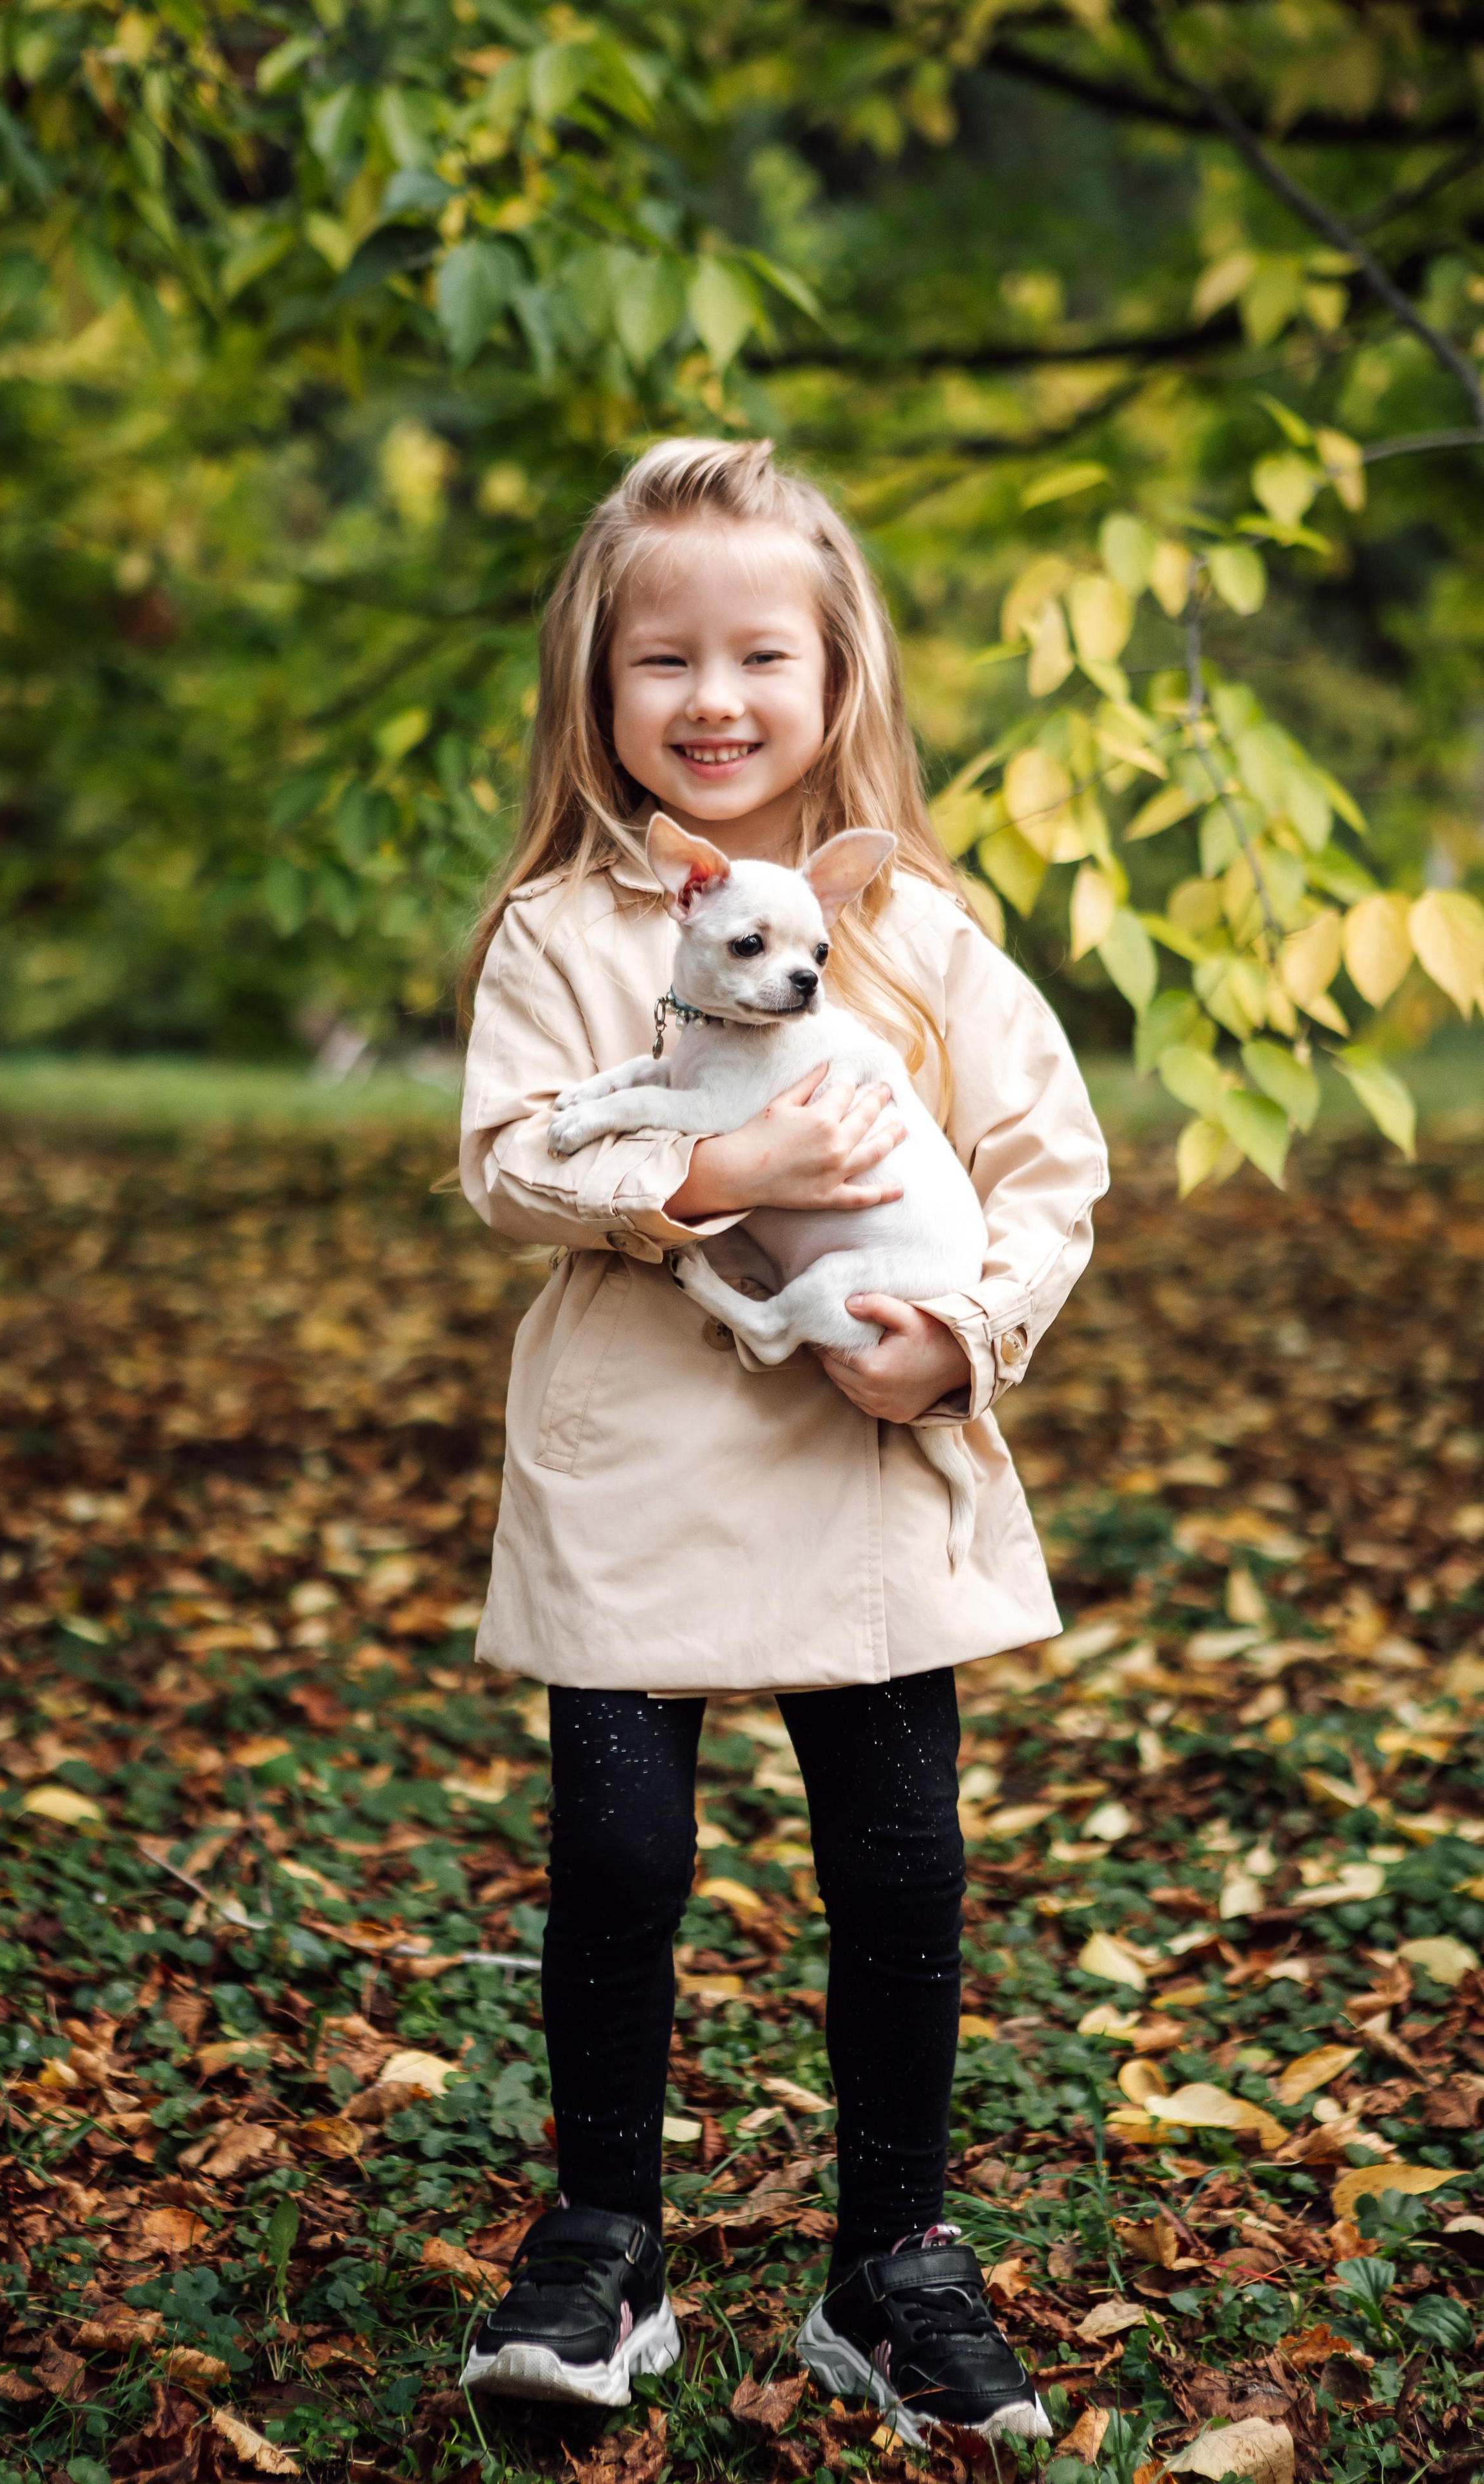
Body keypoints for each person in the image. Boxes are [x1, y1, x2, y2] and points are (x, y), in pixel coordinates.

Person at [453, 437, 1108, 2443]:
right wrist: (714, 1164)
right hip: (638, 1451)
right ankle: (604, 2245)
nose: (714, 701)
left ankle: (893, 2267)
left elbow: (1046, 1166)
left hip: (862, 1455)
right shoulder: (573, 931)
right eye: (665, 660)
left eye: (762, 658)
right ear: (597, 685)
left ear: (839, 684)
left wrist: (965, 1341)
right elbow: (504, 1163)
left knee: (902, 1867)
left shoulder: (902, 926)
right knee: (621, 1854)